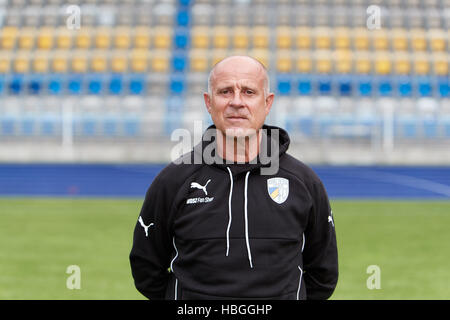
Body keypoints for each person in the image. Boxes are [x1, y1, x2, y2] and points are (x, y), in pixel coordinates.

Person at [129, 56, 338, 300]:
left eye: (249, 92)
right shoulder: (173, 180)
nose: (236, 102)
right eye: (225, 91)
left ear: (267, 103)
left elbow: (323, 274)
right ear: (209, 102)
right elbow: (146, 268)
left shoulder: (303, 182)